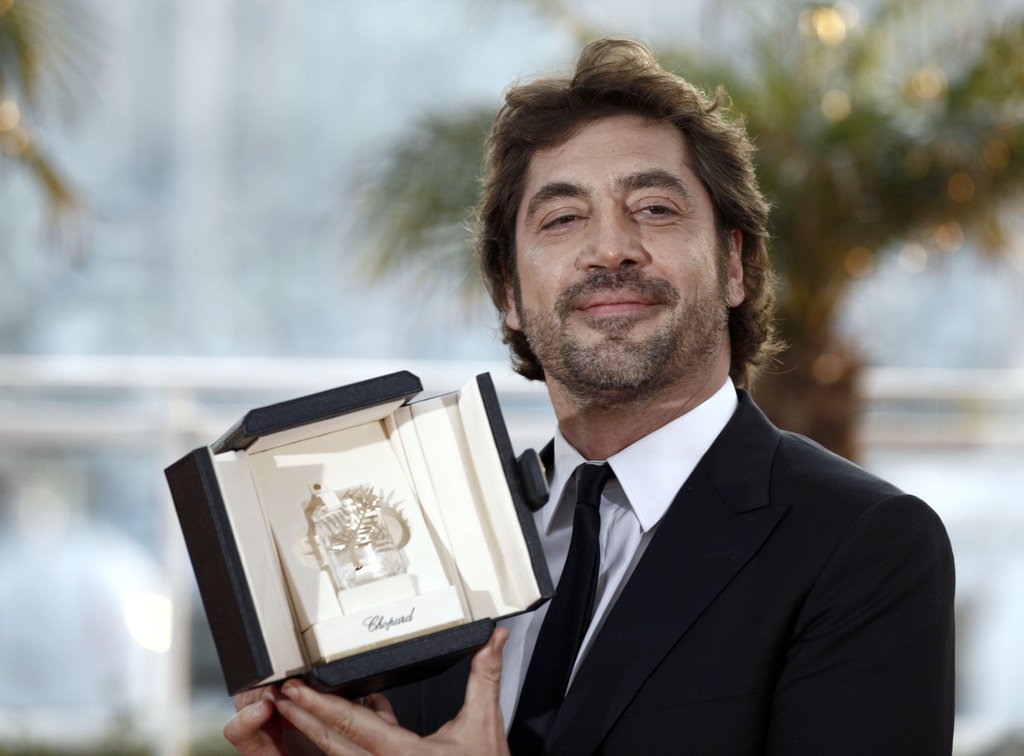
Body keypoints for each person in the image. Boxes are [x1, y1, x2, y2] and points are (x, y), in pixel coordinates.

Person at [225, 37, 955, 755]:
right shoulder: (437, 551)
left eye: (656, 209)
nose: (610, 248)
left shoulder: (865, 544)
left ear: (733, 265)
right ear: (510, 292)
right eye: (563, 219)